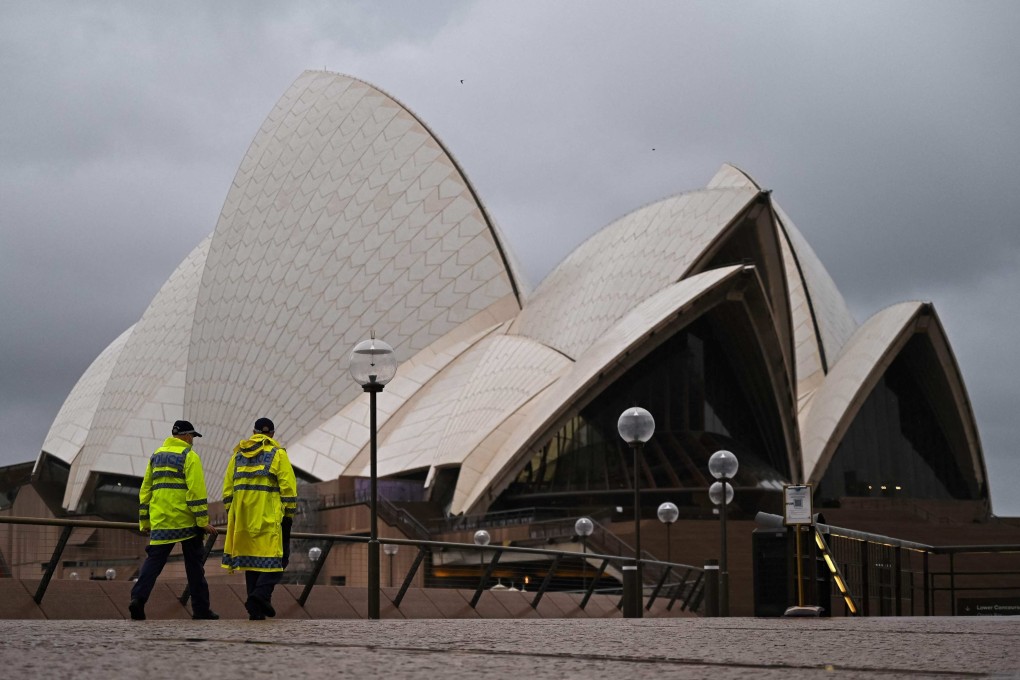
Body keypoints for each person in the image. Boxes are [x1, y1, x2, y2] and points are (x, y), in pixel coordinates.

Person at [129, 420, 219, 621]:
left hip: (161, 520)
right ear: (187, 436)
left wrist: (145, 522)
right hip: (186, 521)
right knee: (195, 567)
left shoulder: (156, 456)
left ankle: (138, 598)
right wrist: (202, 521)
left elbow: (145, 491)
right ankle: (201, 610)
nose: (193, 441)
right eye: (193, 437)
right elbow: (196, 491)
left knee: (153, 564)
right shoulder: (189, 456)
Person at [221, 417, 298, 620]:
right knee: (280, 559)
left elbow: (227, 489)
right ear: (271, 434)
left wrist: (232, 512)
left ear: (253, 432)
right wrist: (289, 513)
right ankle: (260, 596)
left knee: (252, 562)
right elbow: (288, 487)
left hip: (243, 519)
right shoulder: (277, 454)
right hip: (268, 518)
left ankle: (255, 611)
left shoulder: (237, 456)